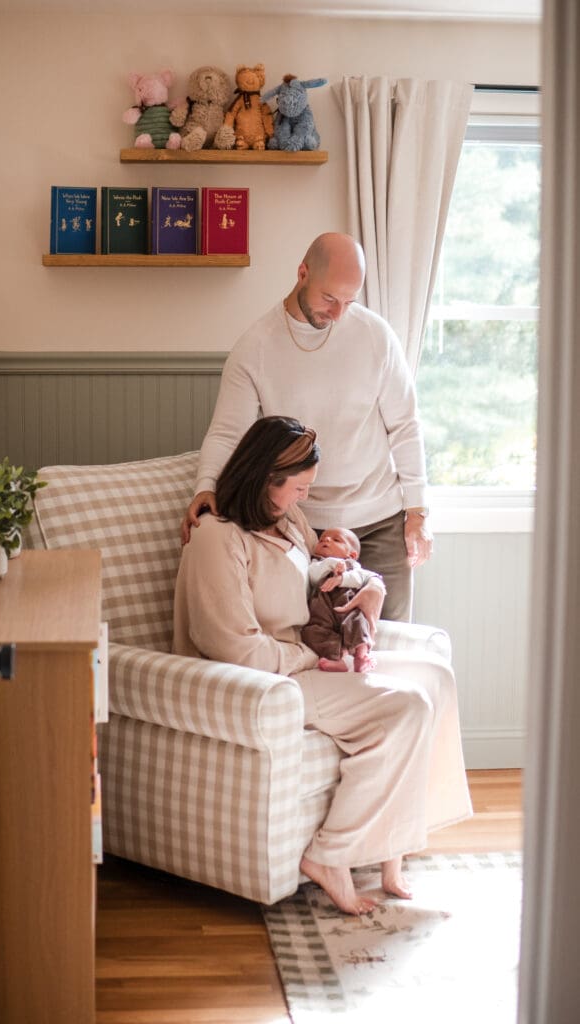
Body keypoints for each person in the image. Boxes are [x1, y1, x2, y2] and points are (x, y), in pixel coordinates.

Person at [173, 416, 472, 916]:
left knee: (433, 676)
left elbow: (331, 573)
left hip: (310, 663)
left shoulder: (287, 523)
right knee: (405, 704)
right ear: (265, 479)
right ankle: (329, 855)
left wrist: (371, 587)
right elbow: (235, 648)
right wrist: (319, 654)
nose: (304, 500)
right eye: (299, 488)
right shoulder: (216, 540)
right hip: (267, 680)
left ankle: (395, 845)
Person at [181, 232, 433, 622]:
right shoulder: (255, 347)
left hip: (380, 518)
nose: (338, 314)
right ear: (302, 273)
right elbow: (228, 432)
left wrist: (417, 512)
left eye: (349, 302)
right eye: (329, 298)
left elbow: (405, 426)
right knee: (314, 641)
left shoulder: (376, 336)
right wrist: (206, 486)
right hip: (301, 525)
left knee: (386, 646)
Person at [303, 527, 381, 673]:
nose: (326, 540)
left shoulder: (353, 567)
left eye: (336, 540)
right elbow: (313, 577)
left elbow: (360, 580)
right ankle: (340, 660)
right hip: (321, 609)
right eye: (322, 539)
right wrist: (332, 564)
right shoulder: (316, 564)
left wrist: (341, 579)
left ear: (351, 555)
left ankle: (361, 655)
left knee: (357, 621)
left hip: (348, 605)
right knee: (312, 632)